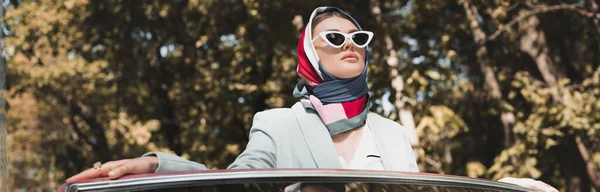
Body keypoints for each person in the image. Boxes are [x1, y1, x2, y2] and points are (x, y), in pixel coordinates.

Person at [66, 6, 558, 192]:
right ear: (308, 55)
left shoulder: (391, 132)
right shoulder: (275, 122)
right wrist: (157, 164)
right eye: (333, 38)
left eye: (357, 39)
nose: (349, 46)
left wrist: (505, 187)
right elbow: (238, 183)